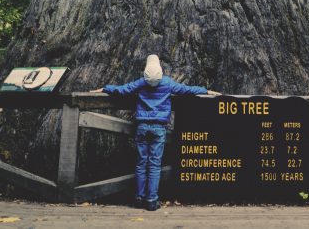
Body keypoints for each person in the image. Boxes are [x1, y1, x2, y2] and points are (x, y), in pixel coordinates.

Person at [90, 54, 220, 211]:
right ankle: (151, 201)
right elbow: (187, 90)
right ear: (160, 68)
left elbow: (122, 90)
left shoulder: (141, 83)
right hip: (159, 128)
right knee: (154, 165)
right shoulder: (167, 83)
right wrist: (206, 91)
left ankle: (139, 198)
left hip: (142, 127)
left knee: (140, 164)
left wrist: (105, 88)